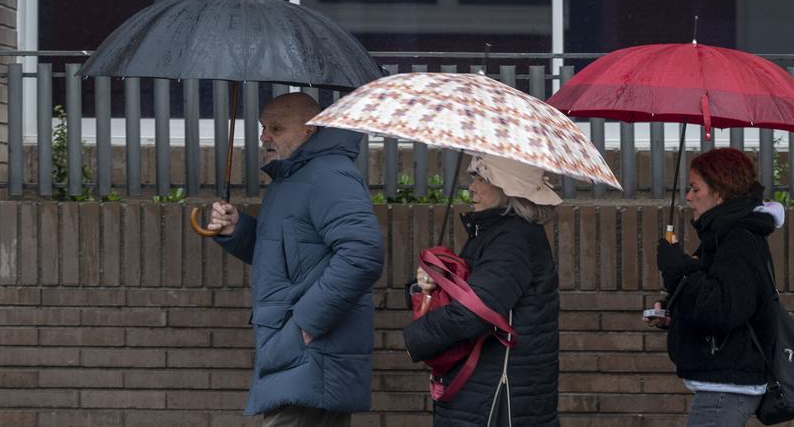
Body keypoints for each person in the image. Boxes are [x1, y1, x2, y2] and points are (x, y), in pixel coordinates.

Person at [208, 92, 384, 427]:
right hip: (299, 358)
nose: (264, 137)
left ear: (309, 131)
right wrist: (237, 229)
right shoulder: (293, 178)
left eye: (276, 127)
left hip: (311, 356)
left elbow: (363, 254)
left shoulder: (329, 175)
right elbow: (286, 255)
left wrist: (306, 325)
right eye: (263, 127)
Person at [403, 153, 561, 426]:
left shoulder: (511, 241)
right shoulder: (497, 233)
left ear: (509, 188)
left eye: (482, 178)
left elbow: (473, 312)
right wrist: (426, 287)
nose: (472, 186)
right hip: (489, 387)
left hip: (497, 393)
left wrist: (416, 339)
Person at [645, 147, 785, 427]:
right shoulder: (722, 235)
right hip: (724, 382)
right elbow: (714, 293)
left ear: (719, 192)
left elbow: (721, 309)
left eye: (695, 188)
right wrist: (674, 308)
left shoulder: (738, 240)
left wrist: (676, 268)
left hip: (728, 385)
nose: (688, 196)